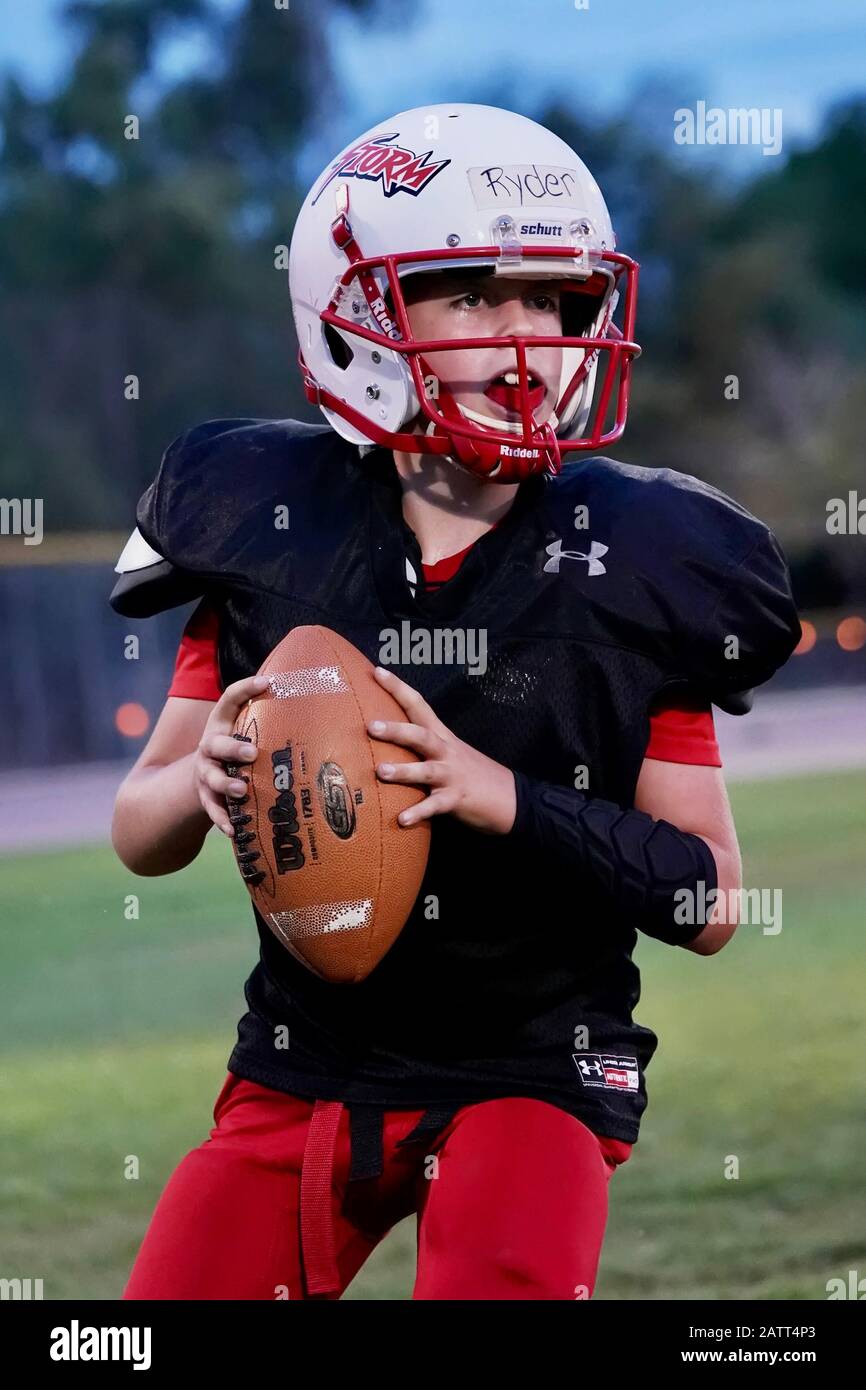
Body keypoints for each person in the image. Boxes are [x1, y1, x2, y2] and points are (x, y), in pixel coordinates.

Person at [110, 103, 801, 1300]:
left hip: (532, 1067)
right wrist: (202, 777)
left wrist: (497, 799)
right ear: (360, 313)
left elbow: (707, 898)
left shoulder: (634, 558)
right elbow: (139, 832)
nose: (526, 334)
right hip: (303, 1060)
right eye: (476, 296)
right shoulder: (267, 523)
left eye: (555, 300)